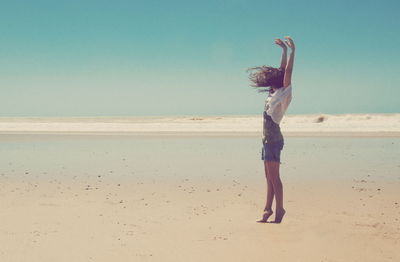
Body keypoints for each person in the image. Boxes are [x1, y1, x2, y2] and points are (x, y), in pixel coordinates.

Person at [248, 36, 295, 223]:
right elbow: (282, 70)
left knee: (275, 178)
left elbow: (288, 72)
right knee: (268, 177)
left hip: (274, 139)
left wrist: (293, 52)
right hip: (267, 139)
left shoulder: (284, 93)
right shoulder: (273, 93)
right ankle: (267, 210)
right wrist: (283, 52)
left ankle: (280, 209)